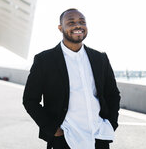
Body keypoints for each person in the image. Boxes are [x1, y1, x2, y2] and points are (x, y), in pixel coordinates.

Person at [23, 8, 120, 149]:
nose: (77, 25)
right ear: (60, 28)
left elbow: (112, 94)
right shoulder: (44, 60)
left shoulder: (100, 58)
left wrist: (111, 123)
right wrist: (53, 129)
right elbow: (30, 100)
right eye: (71, 22)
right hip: (65, 139)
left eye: (82, 22)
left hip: (99, 136)